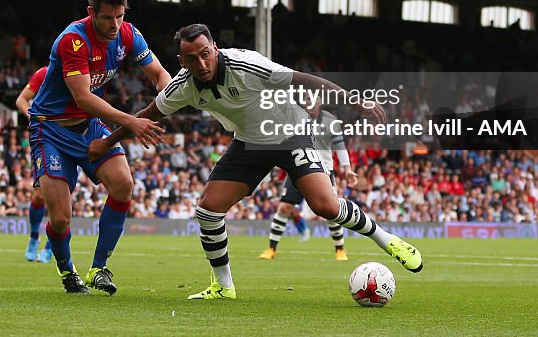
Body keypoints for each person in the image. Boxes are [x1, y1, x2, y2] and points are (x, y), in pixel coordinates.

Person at [89, 23, 423, 300]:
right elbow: (148, 114)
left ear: (215, 48)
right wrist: (108, 141)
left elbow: (304, 79)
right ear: (182, 60)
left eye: (206, 54)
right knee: (208, 209)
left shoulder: (248, 65)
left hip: (291, 131)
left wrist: (355, 101)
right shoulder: (184, 86)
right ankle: (223, 286)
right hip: (249, 144)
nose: (202, 63)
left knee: (325, 206)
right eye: (192, 59)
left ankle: (388, 240)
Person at [29, 0, 170, 295]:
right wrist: (132, 122)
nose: (114, 24)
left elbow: (159, 73)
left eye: (119, 16)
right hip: (50, 129)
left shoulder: (128, 35)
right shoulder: (73, 41)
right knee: (62, 218)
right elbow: (83, 97)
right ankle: (68, 273)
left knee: (124, 183)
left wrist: (167, 89)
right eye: (107, 17)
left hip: (90, 125)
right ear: (91, 12)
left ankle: (99, 267)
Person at [259, 107, 357, 261]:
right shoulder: (294, 117)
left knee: (331, 211)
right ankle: (271, 249)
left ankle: (340, 250)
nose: (309, 101)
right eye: (306, 98)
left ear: (319, 101)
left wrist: (348, 169)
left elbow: (339, 145)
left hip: (323, 169)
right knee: (284, 207)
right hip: (298, 165)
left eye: (312, 98)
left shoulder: (330, 120)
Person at [15, 66, 52, 264]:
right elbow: (21, 99)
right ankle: (34, 236)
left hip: (72, 138)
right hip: (45, 139)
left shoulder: (83, 74)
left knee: (59, 198)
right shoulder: (44, 73)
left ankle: (51, 245)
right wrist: (32, 116)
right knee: (39, 196)